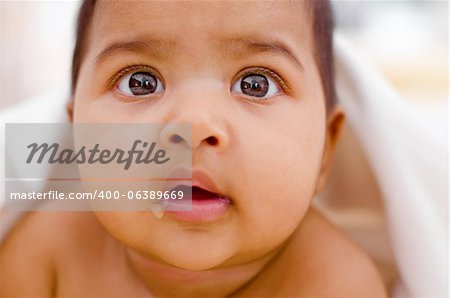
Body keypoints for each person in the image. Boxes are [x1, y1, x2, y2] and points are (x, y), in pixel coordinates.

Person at [1, 1, 387, 296]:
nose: (193, 126)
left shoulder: (335, 282)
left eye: (256, 84)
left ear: (325, 150)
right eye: (140, 82)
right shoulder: (50, 250)